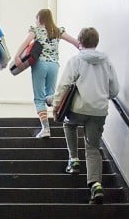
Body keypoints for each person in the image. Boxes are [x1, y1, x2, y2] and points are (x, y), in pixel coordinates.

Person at [53, 27, 120, 205]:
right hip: (98, 112)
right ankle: (96, 185)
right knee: (93, 147)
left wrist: (56, 105)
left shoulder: (76, 60)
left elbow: (64, 85)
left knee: (68, 124)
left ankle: (74, 160)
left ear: (80, 42)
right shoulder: (107, 62)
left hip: (78, 110)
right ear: (96, 42)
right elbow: (114, 90)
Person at [14, 8, 81, 138]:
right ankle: (60, 105)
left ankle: (45, 129)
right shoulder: (57, 30)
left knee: (39, 98)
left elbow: (25, 43)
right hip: (54, 65)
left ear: (40, 18)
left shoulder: (36, 30)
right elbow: (76, 43)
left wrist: (17, 56)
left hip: (40, 64)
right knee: (50, 95)